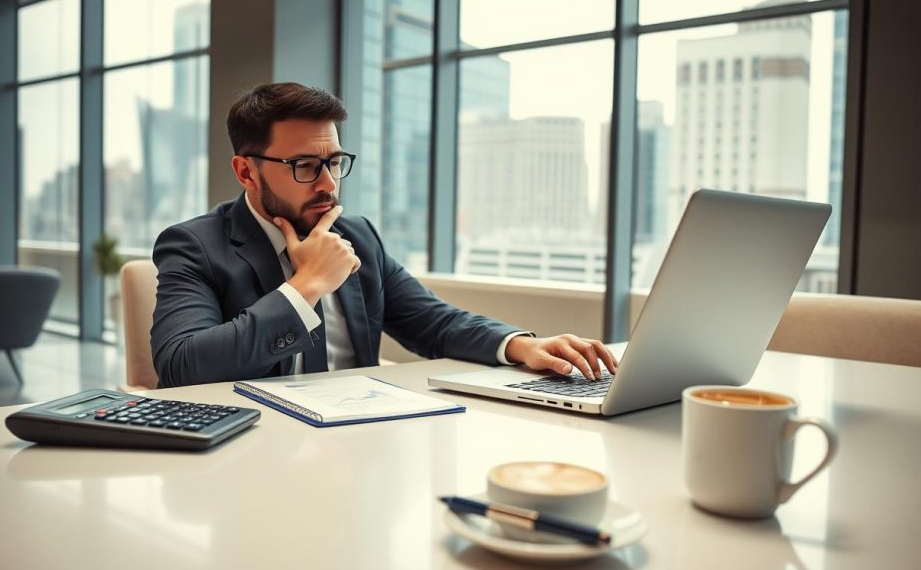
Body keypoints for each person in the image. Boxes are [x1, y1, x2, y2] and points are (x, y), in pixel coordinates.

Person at [150, 82, 617, 388]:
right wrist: (306, 284)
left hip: (361, 444)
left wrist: (521, 345)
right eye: (305, 166)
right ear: (246, 172)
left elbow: (434, 322)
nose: (329, 183)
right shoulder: (195, 246)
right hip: (252, 456)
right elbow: (181, 367)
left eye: (334, 162)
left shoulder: (358, 237)